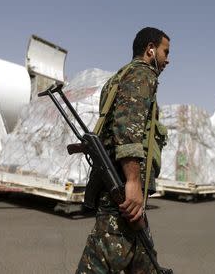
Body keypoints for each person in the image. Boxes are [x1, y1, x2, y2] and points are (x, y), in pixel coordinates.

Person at [76, 27, 170, 273]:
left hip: (116, 182)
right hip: (120, 188)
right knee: (102, 260)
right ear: (150, 49)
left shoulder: (118, 78)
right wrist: (132, 181)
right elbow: (128, 128)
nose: (167, 59)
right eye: (165, 51)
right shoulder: (142, 74)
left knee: (145, 259)